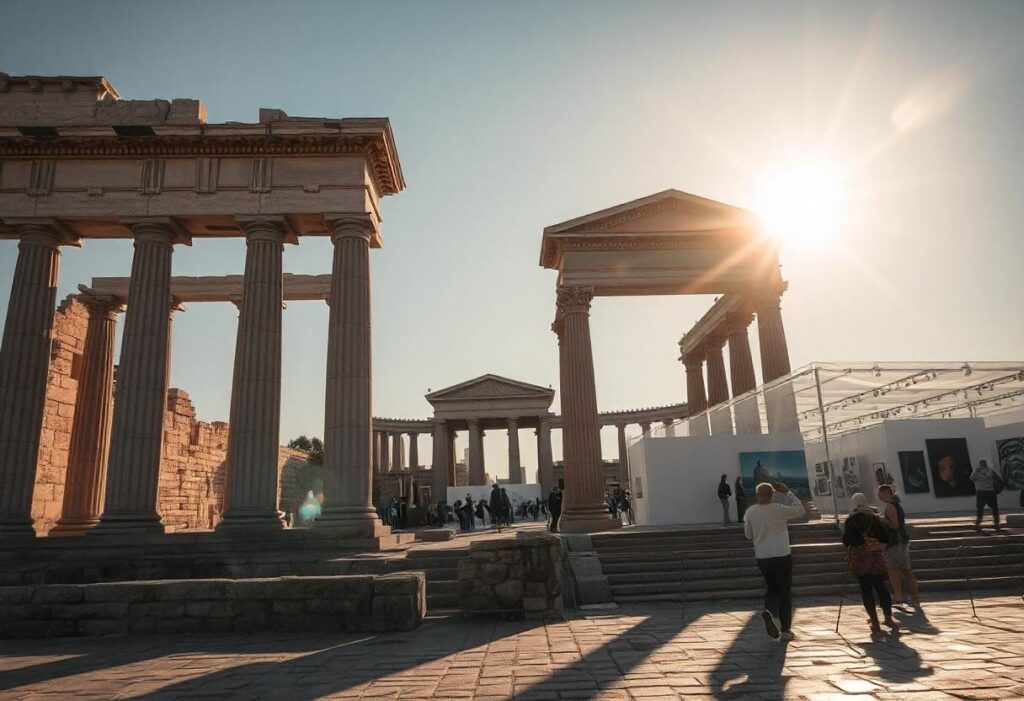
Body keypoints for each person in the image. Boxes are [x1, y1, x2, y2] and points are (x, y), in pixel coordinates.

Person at [743, 481, 804, 641]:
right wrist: (788, 492)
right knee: (784, 591)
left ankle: (769, 611)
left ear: (757, 494)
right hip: (782, 554)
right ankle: (785, 629)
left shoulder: (750, 512)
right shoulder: (778, 509)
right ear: (772, 495)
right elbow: (800, 510)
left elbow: (748, 535)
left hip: (763, 556)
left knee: (771, 588)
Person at [842, 493, 898, 634]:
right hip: (874, 555)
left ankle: (874, 621)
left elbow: (846, 540)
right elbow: (884, 536)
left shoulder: (851, 520)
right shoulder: (873, 517)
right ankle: (888, 617)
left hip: (859, 556)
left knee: (866, 588)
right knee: (880, 586)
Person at [877, 485, 920, 608]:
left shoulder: (891, 506)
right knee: (906, 570)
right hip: (902, 540)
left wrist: (881, 520)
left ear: (885, 494)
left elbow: (894, 525)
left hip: (895, 542)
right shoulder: (897, 505)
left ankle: (898, 595)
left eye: (880, 496)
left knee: (893, 569)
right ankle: (915, 598)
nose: (880, 499)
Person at [970, 459, 1002, 530]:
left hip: (990, 491)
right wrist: (976, 472)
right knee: (980, 507)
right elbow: (972, 478)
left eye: (983, 464)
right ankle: (979, 520)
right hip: (981, 491)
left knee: (994, 507)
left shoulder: (990, 471)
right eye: (981, 464)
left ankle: (997, 522)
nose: (982, 465)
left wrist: (996, 489)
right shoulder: (976, 471)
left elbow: (999, 480)